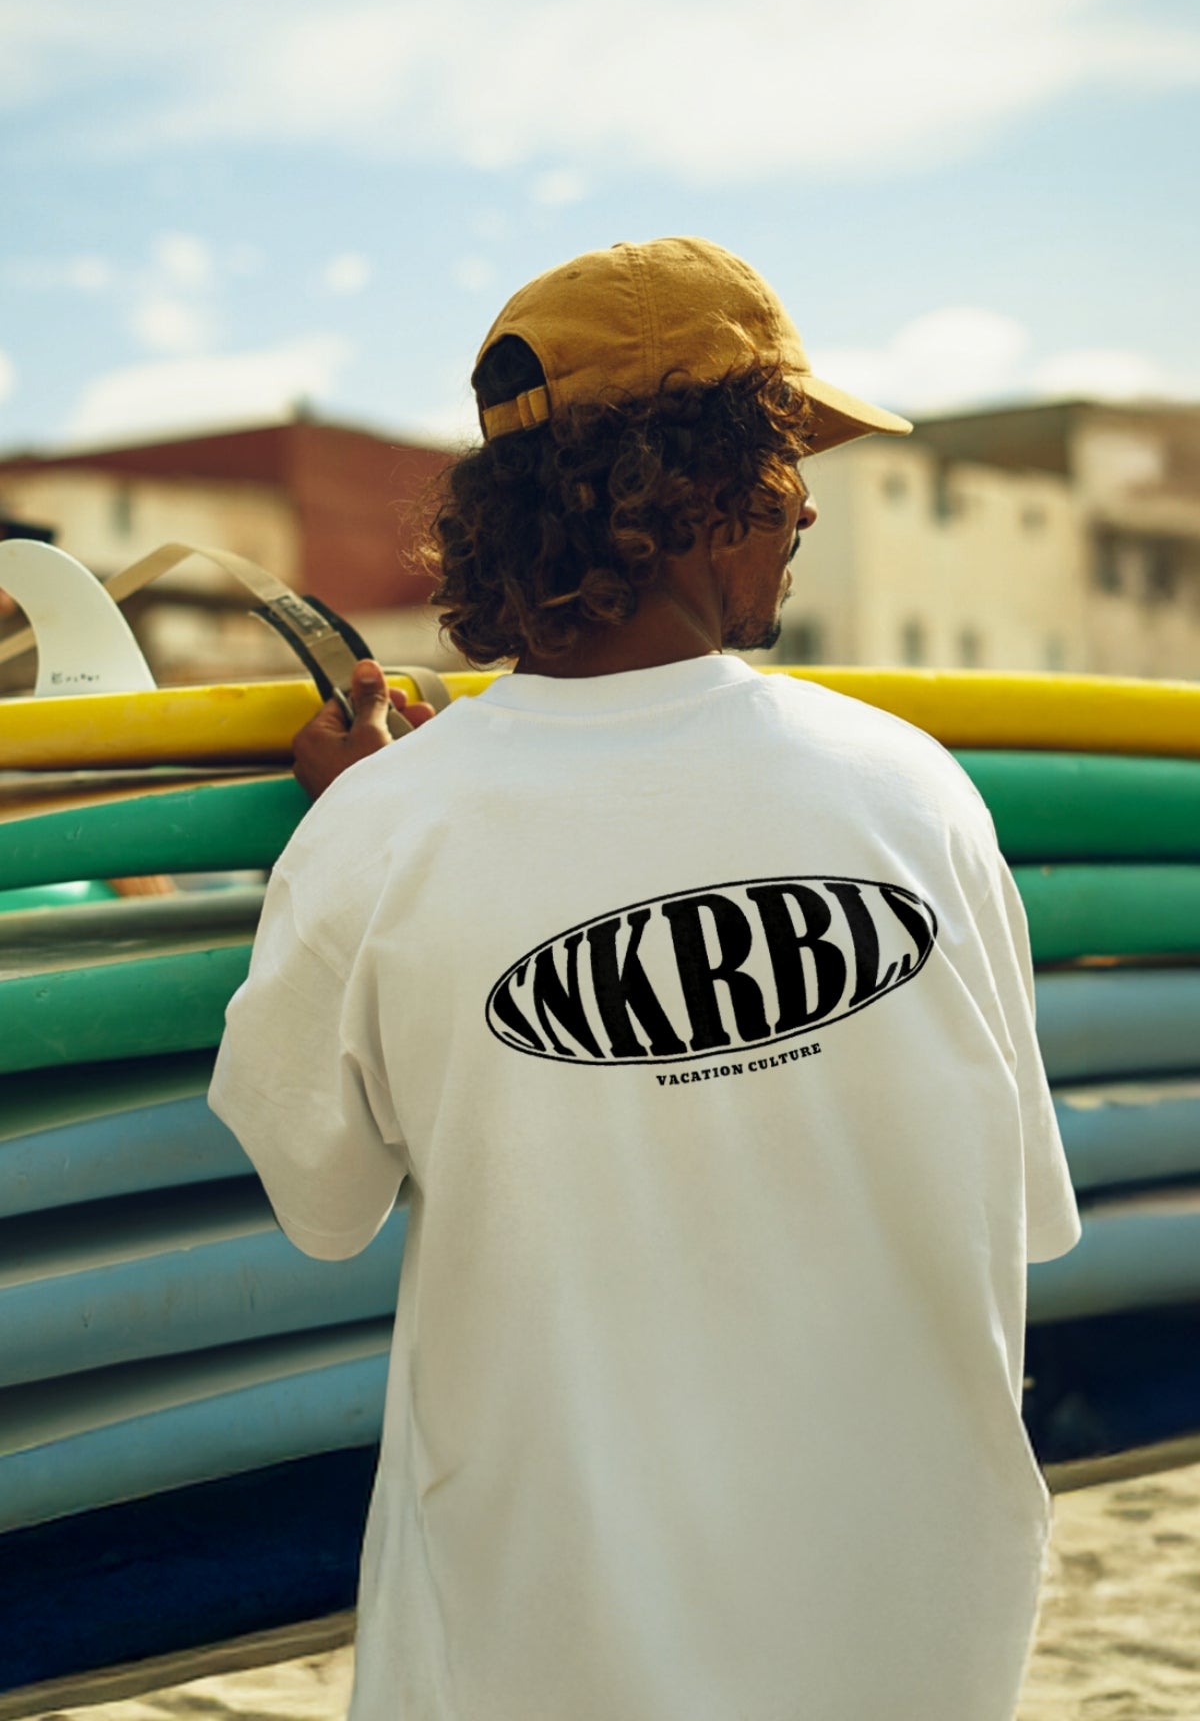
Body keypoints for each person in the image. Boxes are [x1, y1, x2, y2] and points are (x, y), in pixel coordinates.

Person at [209, 237, 1081, 1721]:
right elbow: (1020, 1219)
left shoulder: (380, 834)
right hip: (914, 1634)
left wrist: (341, 840)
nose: (806, 499)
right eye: (780, 450)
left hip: (542, 1649)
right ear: (676, 487)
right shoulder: (914, 792)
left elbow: (321, 1198)